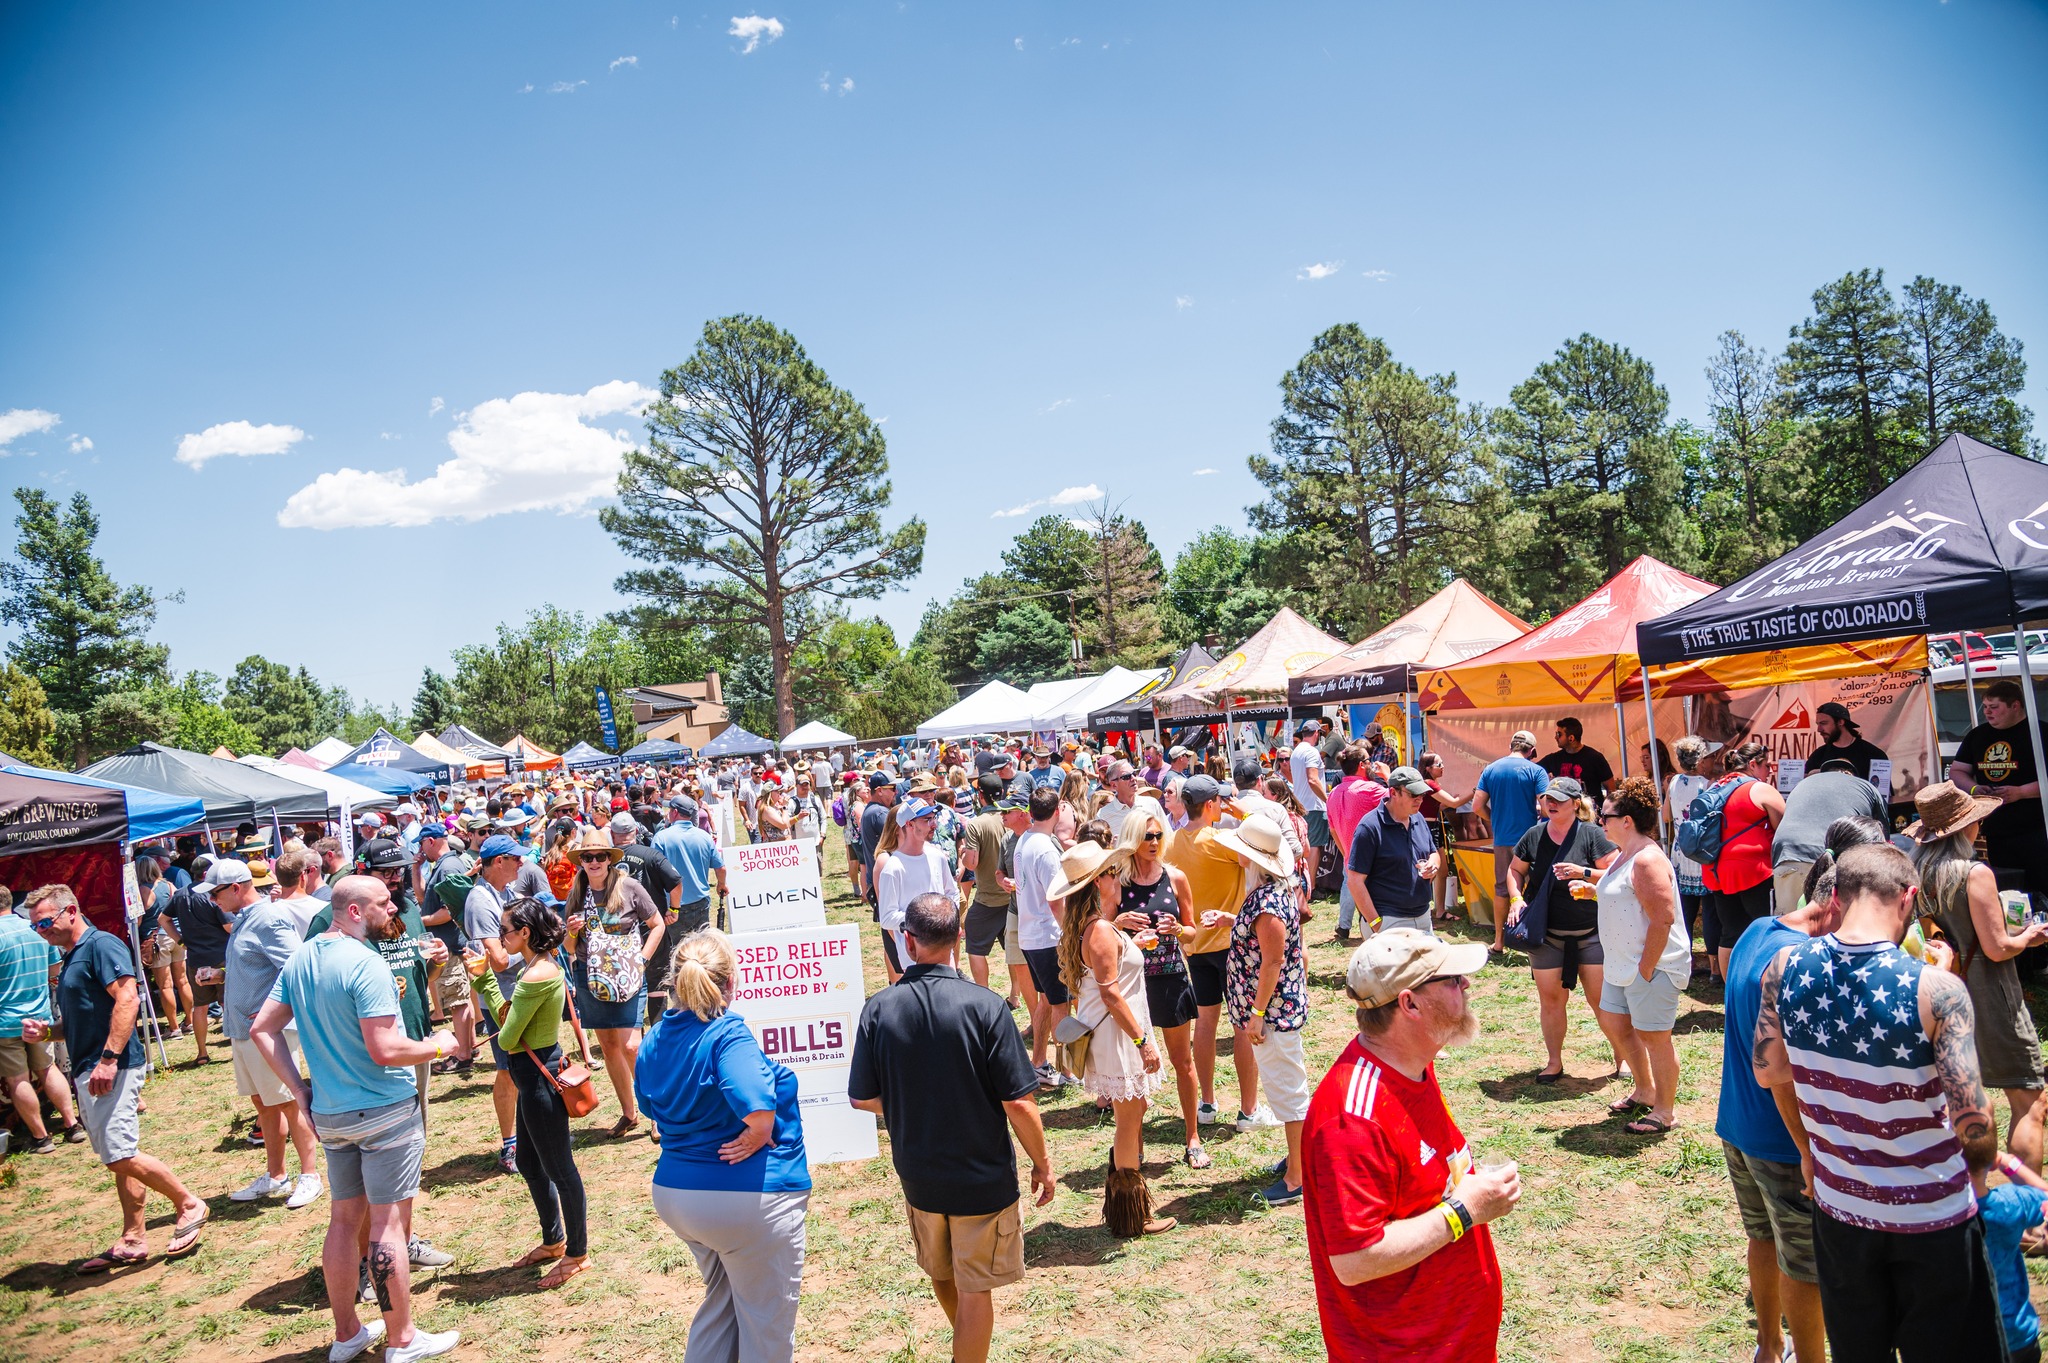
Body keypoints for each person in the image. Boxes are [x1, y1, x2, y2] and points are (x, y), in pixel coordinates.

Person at [1755, 841, 2010, 1360]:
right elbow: (1975, 1124)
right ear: (1908, 897)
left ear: (1838, 896)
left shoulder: (1783, 967)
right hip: (1933, 1217)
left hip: (1841, 1210)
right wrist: (1982, 1177)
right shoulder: (1937, 988)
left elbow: (1770, 1070)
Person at [249, 877, 459, 1363]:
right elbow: (385, 1049)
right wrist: (439, 1045)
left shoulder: (301, 959)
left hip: (331, 1114)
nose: (395, 909)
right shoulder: (366, 963)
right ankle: (402, 1339)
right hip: (384, 1111)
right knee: (388, 1225)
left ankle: (347, 1334)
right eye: (385, 903)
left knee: (343, 1223)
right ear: (356, 911)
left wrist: (300, 1091)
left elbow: (263, 1028)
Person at [848, 892, 1055, 1363]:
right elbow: (1019, 1103)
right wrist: (1043, 1165)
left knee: (941, 1272)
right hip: (981, 1175)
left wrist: (909, 1106)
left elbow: (862, 1096)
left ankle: (967, 1344)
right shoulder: (986, 1007)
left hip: (919, 1172)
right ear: (959, 937)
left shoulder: (878, 1010)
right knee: (976, 1286)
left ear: (908, 941)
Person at [1302, 929, 1516, 1361]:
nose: (1466, 986)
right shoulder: (1353, 1118)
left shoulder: (1413, 1067)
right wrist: (1465, 1212)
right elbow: (1355, 1260)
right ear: (1410, 1003)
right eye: (1452, 980)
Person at [1719, 819, 1883, 1363]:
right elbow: (1782, 1071)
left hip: (1737, 1127)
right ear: (1833, 901)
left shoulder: (1759, 930)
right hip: (1783, 1143)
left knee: (1763, 1241)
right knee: (1805, 1266)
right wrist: (1809, 1150)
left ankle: (1769, 1349)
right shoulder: (1802, 965)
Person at [638, 928, 810, 1362]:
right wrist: (755, 1134)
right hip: (743, 1199)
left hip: (679, 1194)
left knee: (723, 1306)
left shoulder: (656, 1036)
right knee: (765, 1325)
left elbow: (649, 1109)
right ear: (732, 982)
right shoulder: (728, 1033)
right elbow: (758, 1106)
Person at [24, 886, 209, 1271]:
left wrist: (109, 1059)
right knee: (119, 1152)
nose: (42, 930)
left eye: (46, 921)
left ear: (70, 911)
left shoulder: (100, 945)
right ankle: (132, 1237)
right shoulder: (74, 954)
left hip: (111, 1066)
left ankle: (189, 1203)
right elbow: (82, 1019)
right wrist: (48, 1033)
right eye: (35, 925)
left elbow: (128, 999)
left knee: (119, 1153)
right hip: (92, 1066)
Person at [1911, 780, 2048, 1172]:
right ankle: (2028, 1211)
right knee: (2029, 1102)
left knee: (1964, 1102)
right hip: (1989, 994)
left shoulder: (1918, 871)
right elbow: (1997, 948)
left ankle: (1972, 1194)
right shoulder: (1973, 873)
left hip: (1939, 993)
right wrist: (2031, 937)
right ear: (1964, 828)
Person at [464, 897, 590, 1288]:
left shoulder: (537, 975)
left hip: (539, 1081)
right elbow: (508, 1021)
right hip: (529, 1078)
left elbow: (508, 1034)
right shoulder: (533, 967)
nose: (499, 938)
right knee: (532, 1165)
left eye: (505, 931)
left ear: (525, 933)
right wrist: (484, 978)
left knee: (561, 1170)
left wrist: (487, 986)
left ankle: (578, 1254)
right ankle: (554, 1242)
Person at [1053, 841, 1173, 1236]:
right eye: (1111, 872)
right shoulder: (1101, 930)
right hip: (1118, 1037)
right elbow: (1111, 993)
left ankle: (1129, 1209)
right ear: (1098, 883)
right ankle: (1131, 1215)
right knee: (1128, 1120)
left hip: (1113, 1033)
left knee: (1131, 1116)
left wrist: (1127, 944)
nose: (1119, 878)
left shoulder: (1097, 926)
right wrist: (1144, 1042)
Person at [1216, 814, 1310, 1206]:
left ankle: (1297, 1178)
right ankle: (1297, 1159)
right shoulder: (1268, 894)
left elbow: (1271, 962)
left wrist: (1256, 1013)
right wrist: (1234, 921)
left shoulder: (1267, 901)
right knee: (1284, 1086)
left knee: (1288, 1092)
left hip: (1271, 1015)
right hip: (1272, 1012)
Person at [217, 859, 323, 1210]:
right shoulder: (246, 919)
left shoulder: (269, 917)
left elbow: (295, 967)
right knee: (264, 1102)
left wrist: (267, 1014)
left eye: (216, 892)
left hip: (268, 1031)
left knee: (291, 1102)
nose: (212, 900)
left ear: (236, 888)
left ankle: (310, 1175)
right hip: (245, 1030)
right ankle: (276, 1175)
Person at [1164, 774, 1263, 1130]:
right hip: (1230, 945)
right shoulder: (1223, 840)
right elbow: (1265, 845)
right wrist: (1248, 816)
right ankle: (1249, 1110)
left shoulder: (1172, 842)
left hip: (1194, 946)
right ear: (1210, 805)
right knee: (1242, 1027)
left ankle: (1207, 1102)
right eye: (1219, 801)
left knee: (1206, 1023)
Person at [1505, 777, 1619, 1084]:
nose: (1550, 804)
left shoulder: (1593, 834)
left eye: (1558, 799)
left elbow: (1613, 874)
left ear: (1575, 804)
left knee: (1602, 1002)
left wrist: (1581, 872)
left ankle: (1623, 1057)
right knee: (1551, 1001)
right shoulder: (1534, 834)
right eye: (1546, 798)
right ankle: (1554, 1062)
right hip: (1547, 935)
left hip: (1591, 932)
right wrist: (1516, 899)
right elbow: (1515, 869)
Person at [1592, 777, 1690, 1134]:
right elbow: (1626, 897)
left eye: (1605, 816)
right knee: (1615, 1023)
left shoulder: (1646, 859)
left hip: (1651, 966)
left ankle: (1665, 1111)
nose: (1601, 821)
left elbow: (1662, 918)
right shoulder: (1625, 856)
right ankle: (1645, 1089)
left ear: (1627, 820)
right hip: (1623, 965)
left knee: (1654, 1037)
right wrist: (1593, 890)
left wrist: (1647, 968)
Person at [1116, 806, 1204, 1167]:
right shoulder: (1118, 881)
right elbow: (1100, 931)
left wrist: (1179, 930)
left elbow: (1193, 929)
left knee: (1183, 1061)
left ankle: (1193, 1137)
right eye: (1146, 837)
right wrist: (1120, 922)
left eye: (1157, 836)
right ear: (1133, 840)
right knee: (1135, 1069)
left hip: (1170, 977)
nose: (1153, 842)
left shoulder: (1175, 877)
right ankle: (1134, 1145)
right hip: (1134, 983)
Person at [563, 826, 665, 1136]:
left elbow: (657, 924)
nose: (593, 862)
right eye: (587, 857)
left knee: (632, 1046)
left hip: (628, 976)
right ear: (581, 861)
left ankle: (656, 1114)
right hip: (591, 977)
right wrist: (571, 931)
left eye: (599, 856)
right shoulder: (576, 893)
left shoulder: (629, 887)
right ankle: (628, 1112)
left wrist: (643, 959)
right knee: (608, 1046)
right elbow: (569, 948)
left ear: (609, 858)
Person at [0, 884, 82, 1152]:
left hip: (5, 1021)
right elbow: (54, 971)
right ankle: (72, 1124)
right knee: (48, 1069)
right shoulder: (34, 930)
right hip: (39, 1015)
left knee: (18, 1079)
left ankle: (41, 1137)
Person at [1950, 678, 2048, 896]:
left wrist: (2021, 792)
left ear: (2015, 705)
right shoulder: (1978, 735)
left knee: (2042, 889)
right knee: (2009, 893)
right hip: (1997, 830)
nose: (1988, 713)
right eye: (1985, 707)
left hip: (2038, 829)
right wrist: (1975, 789)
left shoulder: (2040, 733)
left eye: (1994, 707)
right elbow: (1957, 771)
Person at [465, 833, 526, 1174]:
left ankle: (527, 1135)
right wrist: (534, 944)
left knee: (525, 1068)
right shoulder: (479, 901)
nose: (521, 863)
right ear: (498, 861)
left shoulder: (505, 893)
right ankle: (510, 1145)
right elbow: (499, 960)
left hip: (519, 993)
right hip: (501, 1000)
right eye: (515, 858)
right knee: (508, 1071)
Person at [1698, 741, 1785, 969]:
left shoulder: (1715, 787)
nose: (1769, 772)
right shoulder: (1760, 789)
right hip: (1753, 872)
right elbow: (1783, 830)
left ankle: (1730, 993)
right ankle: (1763, 987)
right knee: (1765, 928)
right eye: (1767, 766)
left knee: (1731, 932)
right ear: (1754, 764)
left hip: (1717, 871)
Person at [1012, 786, 1073, 1086]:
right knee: (1060, 1003)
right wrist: (1071, 931)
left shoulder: (1025, 839)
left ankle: (1039, 1062)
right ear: (1058, 812)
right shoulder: (1046, 848)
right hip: (1048, 937)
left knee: (1048, 1001)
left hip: (1031, 935)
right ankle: (1066, 1070)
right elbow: (1055, 899)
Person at [1771, 761, 1887, 914]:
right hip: (1831, 862)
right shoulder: (1866, 786)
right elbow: (1883, 840)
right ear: (1850, 774)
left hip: (1787, 856)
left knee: (1791, 926)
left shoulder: (1802, 784)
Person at [1344, 766, 1443, 938]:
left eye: (1422, 795)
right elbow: (1354, 880)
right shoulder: (1369, 827)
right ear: (1393, 792)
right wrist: (1376, 924)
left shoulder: (1418, 818)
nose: (1419, 799)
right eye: (1413, 794)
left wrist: (1433, 865)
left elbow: (1433, 852)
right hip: (1389, 920)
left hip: (1423, 915)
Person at [1473, 730, 1549, 952]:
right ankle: (1533, 939)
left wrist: (1494, 818)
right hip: (1531, 840)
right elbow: (1546, 807)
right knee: (1533, 887)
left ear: (1511, 746)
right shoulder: (1537, 771)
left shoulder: (1491, 769)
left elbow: (1477, 807)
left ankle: (1499, 942)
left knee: (1502, 889)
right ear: (1531, 750)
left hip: (1503, 838)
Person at [1977, 1150, 2048, 1363]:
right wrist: (2008, 1163)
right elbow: (2044, 1196)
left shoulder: (1932, 1216)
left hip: (1955, 1337)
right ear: (1990, 1163)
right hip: (2014, 1336)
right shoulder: (2009, 1204)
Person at [877, 797, 960, 969]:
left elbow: (952, 892)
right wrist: (924, 921)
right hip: (913, 959)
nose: (934, 824)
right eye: (927, 820)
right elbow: (886, 918)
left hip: (944, 951)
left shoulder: (937, 856)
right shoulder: (893, 868)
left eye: (933, 818)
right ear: (909, 824)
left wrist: (947, 917)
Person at [1665, 736, 1719, 981]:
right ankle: (1714, 966)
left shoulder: (1674, 782)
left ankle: (1684, 962)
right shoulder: (1708, 785)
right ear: (1701, 760)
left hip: (1680, 851)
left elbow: (1666, 815)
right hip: (1702, 852)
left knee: (1684, 911)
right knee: (1709, 911)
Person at [1325, 745, 1388, 944]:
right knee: (1378, 918)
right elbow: (1400, 800)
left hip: (1352, 860)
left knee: (1367, 914)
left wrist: (1347, 854)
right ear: (1362, 765)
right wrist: (1387, 777)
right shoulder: (1372, 790)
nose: (1372, 763)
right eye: (1369, 760)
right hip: (1375, 863)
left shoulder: (1333, 793)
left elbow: (1333, 830)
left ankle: (1350, 928)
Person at [655, 795, 727, 936]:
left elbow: (654, 873)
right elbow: (721, 868)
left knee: (677, 950)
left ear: (674, 812)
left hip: (674, 906)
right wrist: (721, 884)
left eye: (669, 810)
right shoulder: (704, 836)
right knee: (702, 948)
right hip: (700, 902)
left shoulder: (661, 837)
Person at [1415, 752, 1470, 924]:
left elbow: (1440, 806)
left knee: (1442, 871)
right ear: (1428, 768)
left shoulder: (1430, 784)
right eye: (1439, 764)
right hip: (1427, 828)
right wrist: (1476, 792)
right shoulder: (1429, 783)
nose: (1442, 766)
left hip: (1432, 827)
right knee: (1432, 870)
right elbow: (1453, 803)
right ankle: (1425, 908)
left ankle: (1438, 910)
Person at [1289, 721, 1332, 896]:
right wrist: (1327, 800)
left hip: (1301, 804)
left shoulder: (1296, 752)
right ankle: (1311, 887)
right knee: (1314, 846)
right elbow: (1313, 779)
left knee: (1305, 846)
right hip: (1314, 805)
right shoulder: (1311, 752)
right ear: (1316, 733)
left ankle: (1304, 886)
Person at [1814, 700, 1888, 782]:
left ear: (1840, 722)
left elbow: (1883, 792)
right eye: (1818, 724)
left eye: (1823, 723)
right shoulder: (1818, 756)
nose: (1819, 729)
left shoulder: (1873, 754)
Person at [1541, 716, 1616, 796]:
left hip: (1590, 807)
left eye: (1559, 734)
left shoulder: (1595, 758)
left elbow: (1611, 787)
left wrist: (1608, 807)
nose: (1555, 737)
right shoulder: (1554, 759)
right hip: (1564, 807)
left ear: (1571, 738)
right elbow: (1533, 771)